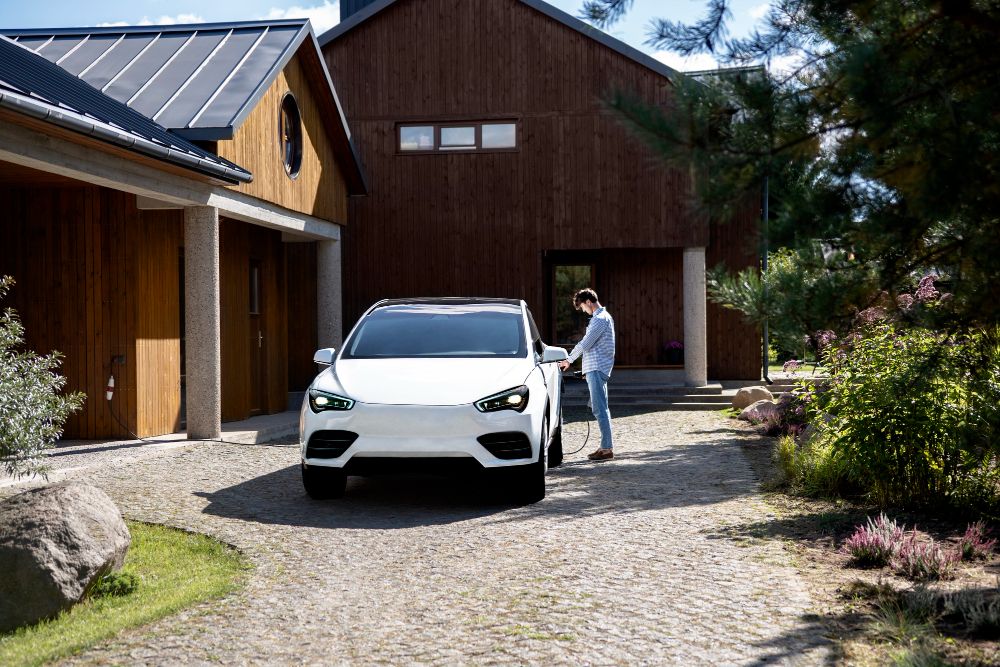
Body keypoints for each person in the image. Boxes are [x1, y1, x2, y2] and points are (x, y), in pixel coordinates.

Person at [558, 288, 615, 461]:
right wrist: (587, 368)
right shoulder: (604, 318)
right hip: (596, 368)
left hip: (597, 369)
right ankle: (605, 446)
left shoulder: (599, 319)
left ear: (588, 302)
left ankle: (606, 449)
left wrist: (568, 360)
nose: (583, 310)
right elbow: (596, 347)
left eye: (583, 306)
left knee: (599, 409)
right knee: (602, 409)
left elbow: (585, 344)